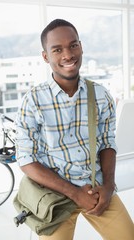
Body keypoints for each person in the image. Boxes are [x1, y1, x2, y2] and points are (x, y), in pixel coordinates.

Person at [15, 19, 134, 240]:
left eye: (73, 45)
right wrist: (74, 193)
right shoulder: (33, 100)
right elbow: (25, 159)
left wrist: (108, 188)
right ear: (45, 57)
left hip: (97, 189)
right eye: (57, 49)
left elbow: (108, 143)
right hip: (55, 195)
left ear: (81, 46)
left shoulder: (101, 95)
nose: (68, 54)